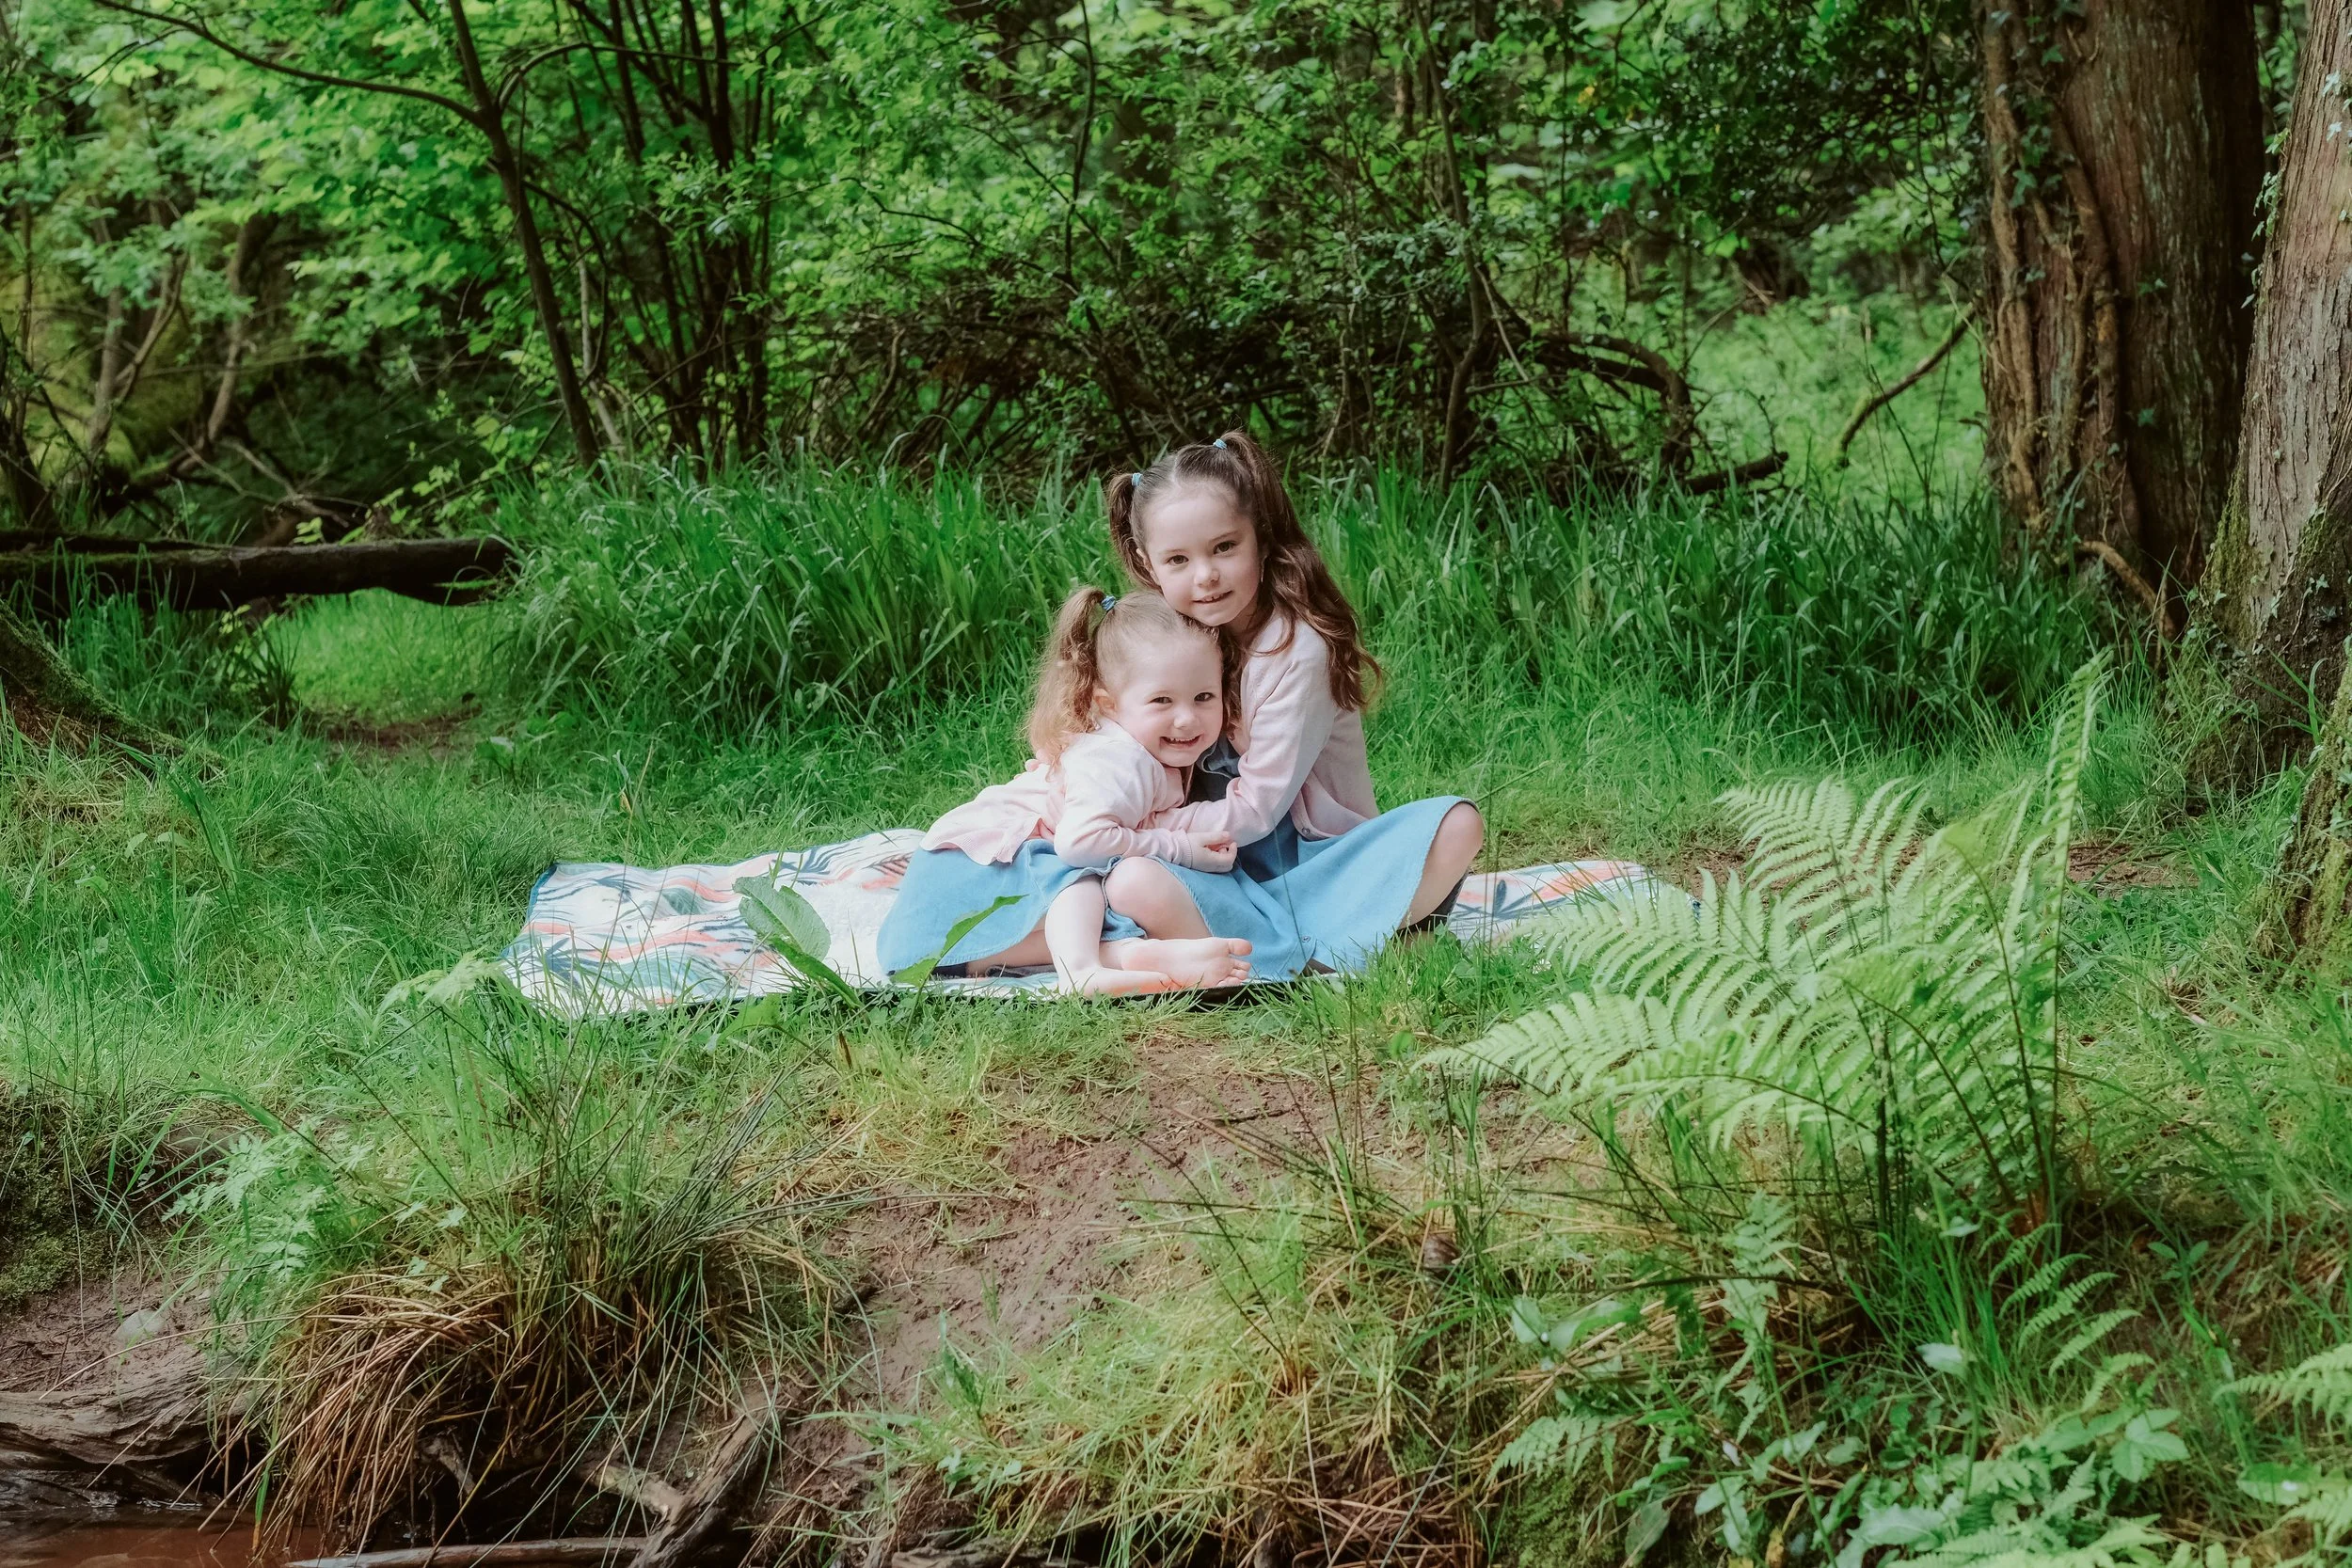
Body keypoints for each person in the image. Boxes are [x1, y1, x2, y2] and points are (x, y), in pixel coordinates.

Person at [1096, 431, 1486, 977]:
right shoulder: (1167, 640)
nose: (1205, 576)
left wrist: (1155, 828)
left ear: (1259, 536)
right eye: (1178, 559)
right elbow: (1118, 742)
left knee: (1457, 822)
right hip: (1219, 868)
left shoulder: (1297, 649)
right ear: (1147, 562)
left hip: (1317, 864)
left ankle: (1294, 946)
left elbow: (1257, 810)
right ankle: (1298, 950)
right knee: (1129, 879)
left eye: (1224, 548)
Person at [874, 587, 1255, 994]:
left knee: (1089, 905)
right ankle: (1081, 970)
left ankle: (1130, 955)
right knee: (1081, 876)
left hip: (949, 927)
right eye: (1162, 700)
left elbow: (1138, 818)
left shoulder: (1139, 749)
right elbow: (1080, 842)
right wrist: (1177, 848)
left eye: (1204, 697)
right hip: (973, 869)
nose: (1186, 719)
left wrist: (1191, 833)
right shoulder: (1120, 761)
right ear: (1108, 704)